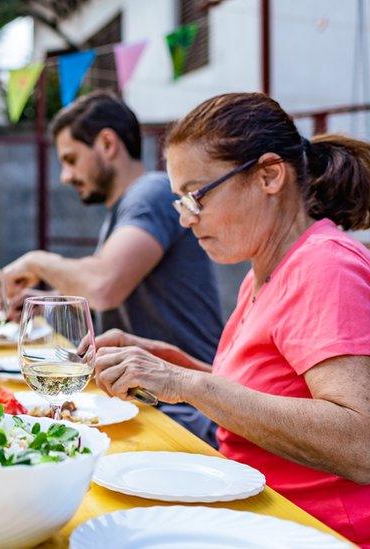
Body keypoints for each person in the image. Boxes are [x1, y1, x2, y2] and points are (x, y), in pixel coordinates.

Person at [92, 92, 370, 546]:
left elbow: (360, 443)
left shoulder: (326, 266)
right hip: (254, 509)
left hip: (317, 529)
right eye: (180, 201)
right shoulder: (264, 270)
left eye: (195, 196)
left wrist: (188, 385)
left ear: (269, 175)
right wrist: (178, 369)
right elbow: (269, 397)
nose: (185, 220)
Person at [2, 91, 223, 444]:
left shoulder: (150, 193)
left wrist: (36, 261)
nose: (64, 175)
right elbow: (112, 287)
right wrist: (49, 301)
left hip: (187, 414)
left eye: (71, 159)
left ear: (107, 143)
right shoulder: (128, 205)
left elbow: (105, 284)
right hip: (148, 402)